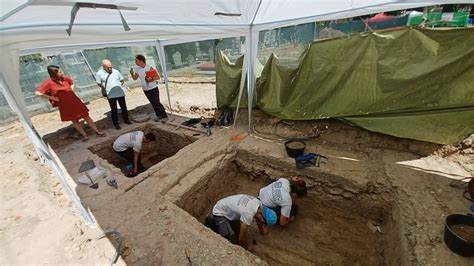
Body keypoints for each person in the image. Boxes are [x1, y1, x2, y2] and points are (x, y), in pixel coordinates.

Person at [35, 65, 105, 141]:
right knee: (74, 120)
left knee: (86, 116)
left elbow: (72, 82)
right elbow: (38, 93)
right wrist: (54, 98)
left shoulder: (65, 78)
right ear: (54, 74)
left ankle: (97, 131)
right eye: (59, 72)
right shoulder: (49, 82)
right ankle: (85, 135)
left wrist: (71, 90)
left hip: (75, 101)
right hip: (64, 104)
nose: (62, 72)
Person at [204, 194, 277, 250]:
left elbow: (259, 219)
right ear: (262, 215)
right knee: (232, 239)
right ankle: (210, 220)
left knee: (238, 231)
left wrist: (262, 231)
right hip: (220, 212)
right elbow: (241, 239)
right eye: (264, 222)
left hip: (229, 209)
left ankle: (224, 223)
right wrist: (247, 246)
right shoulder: (248, 214)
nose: (264, 224)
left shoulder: (259, 204)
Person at [129, 54, 168, 121]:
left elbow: (157, 77)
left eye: (136, 61)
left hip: (153, 88)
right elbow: (135, 78)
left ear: (141, 61)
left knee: (156, 102)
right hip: (145, 89)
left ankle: (164, 114)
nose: (135, 62)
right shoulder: (138, 69)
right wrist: (132, 73)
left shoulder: (149, 67)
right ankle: (158, 115)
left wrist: (151, 79)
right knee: (152, 103)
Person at [96, 59, 132, 130]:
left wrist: (118, 85)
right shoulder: (99, 74)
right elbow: (99, 83)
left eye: (111, 67)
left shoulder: (116, 71)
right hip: (110, 94)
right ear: (103, 67)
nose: (110, 69)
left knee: (124, 107)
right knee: (114, 109)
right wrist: (105, 88)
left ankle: (126, 120)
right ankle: (116, 123)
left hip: (120, 93)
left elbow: (122, 80)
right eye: (108, 68)